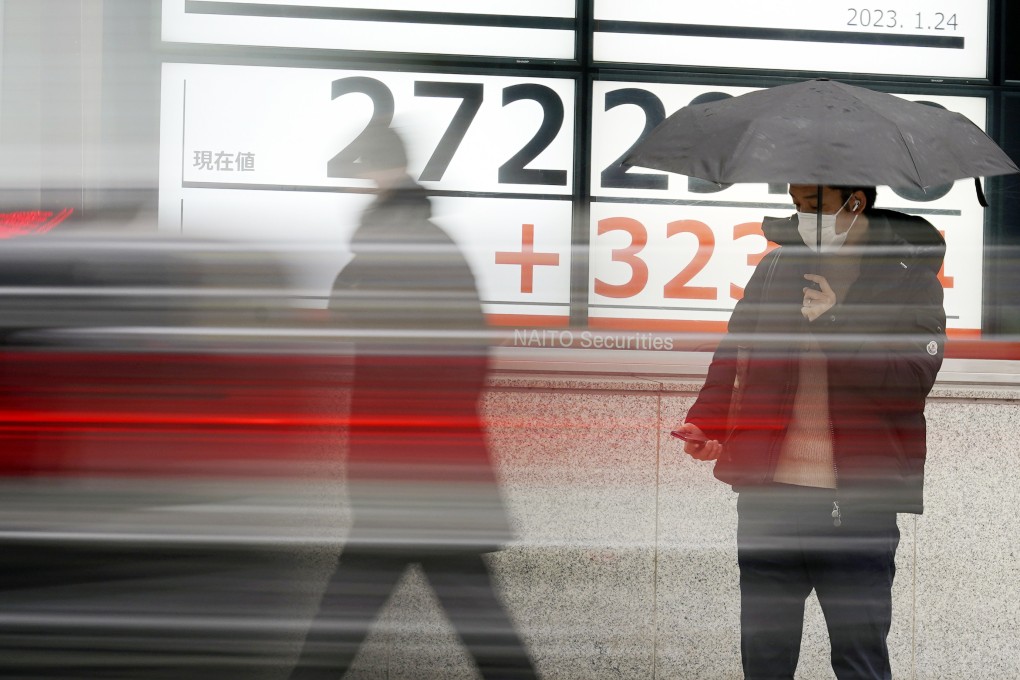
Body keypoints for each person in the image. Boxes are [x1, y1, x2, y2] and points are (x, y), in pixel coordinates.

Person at [290, 123, 537, 680]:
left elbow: (447, 352)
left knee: (360, 602)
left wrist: (415, 438)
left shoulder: (405, 244)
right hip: (424, 464)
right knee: (463, 604)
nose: (352, 191)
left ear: (376, 173)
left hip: (412, 464)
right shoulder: (407, 242)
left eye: (357, 177)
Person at [674, 184, 946, 680]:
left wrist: (836, 322)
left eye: (813, 204)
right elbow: (735, 351)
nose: (801, 215)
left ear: (854, 203)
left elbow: (911, 381)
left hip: (858, 505)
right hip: (769, 500)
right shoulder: (776, 267)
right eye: (796, 203)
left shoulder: (911, 279)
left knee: (858, 655)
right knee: (765, 657)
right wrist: (708, 422)